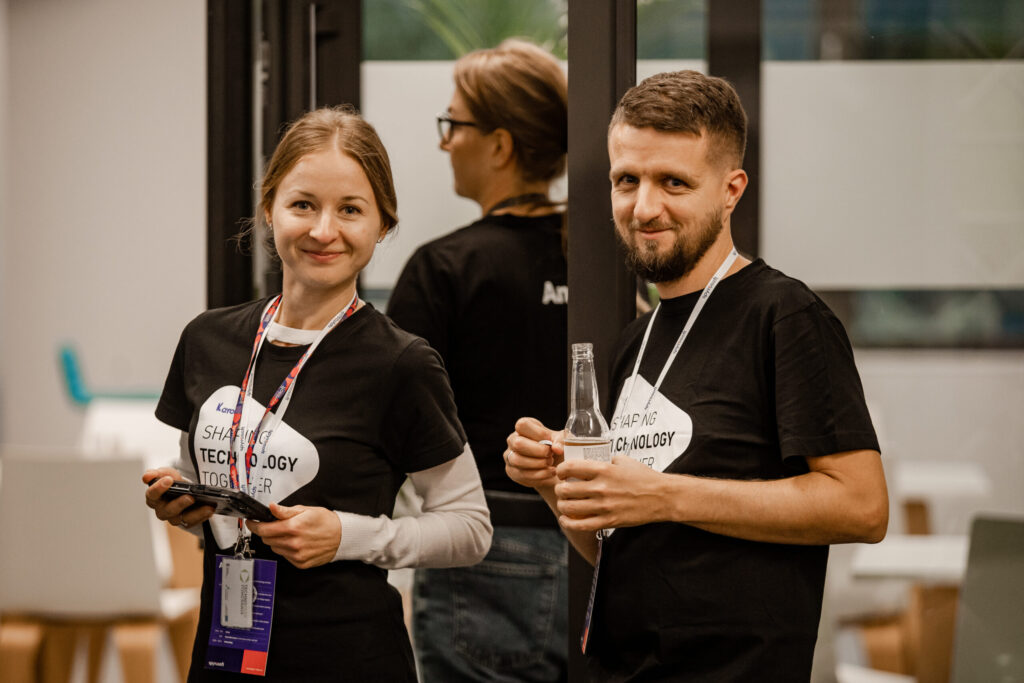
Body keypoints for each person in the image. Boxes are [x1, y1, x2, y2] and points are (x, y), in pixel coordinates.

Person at [505, 70, 889, 681]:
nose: (644, 206)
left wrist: (662, 495)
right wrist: (559, 488)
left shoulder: (785, 316)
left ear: (731, 189)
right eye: (626, 180)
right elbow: (615, 551)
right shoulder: (636, 340)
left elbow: (862, 506)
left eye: (674, 183)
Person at [142, 106, 492, 682]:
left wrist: (349, 537)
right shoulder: (207, 339)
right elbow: (207, 479)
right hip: (226, 657)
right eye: (303, 204)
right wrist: (182, 507)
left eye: (350, 210)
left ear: (382, 225)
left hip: (350, 659)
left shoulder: (401, 363)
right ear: (269, 209)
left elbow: (470, 528)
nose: (323, 230)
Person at [387, 39, 570, 682]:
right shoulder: (607, 262)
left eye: (454, 124)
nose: (445, 143)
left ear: (500, 145)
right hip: (598, 548)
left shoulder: (446, 268)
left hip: (482, 552)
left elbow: (392, 423)